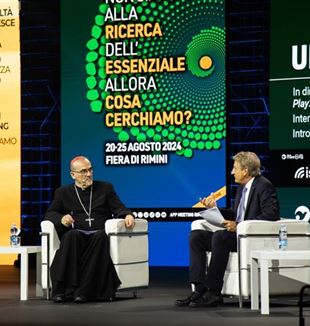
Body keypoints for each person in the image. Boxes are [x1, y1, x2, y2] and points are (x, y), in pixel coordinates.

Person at [175, 151, 280, 308]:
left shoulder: (264, 185)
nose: (232, 172)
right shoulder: (241, 188)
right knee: (196, 236)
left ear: (245, 170)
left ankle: (214, 292)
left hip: (249, 238)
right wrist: (214, 209)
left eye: (235, 168)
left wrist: (240, 226)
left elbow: (271, 214)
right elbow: (235, 213)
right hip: (235, 236)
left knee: (220, 236)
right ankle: (199, 289)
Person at [45, 156, 135, 304]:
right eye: (83, 171)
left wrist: (127, 215)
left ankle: (83, 292)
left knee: (101, 237)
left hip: (97, 234)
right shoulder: (63, 192)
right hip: (76, 235)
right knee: (71, 236)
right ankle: (61, 290)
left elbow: (120, 208)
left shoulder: (105, 188)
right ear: (73, 174)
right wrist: (61, 218)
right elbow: (50, 213)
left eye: (90, 170)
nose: (88, 174)